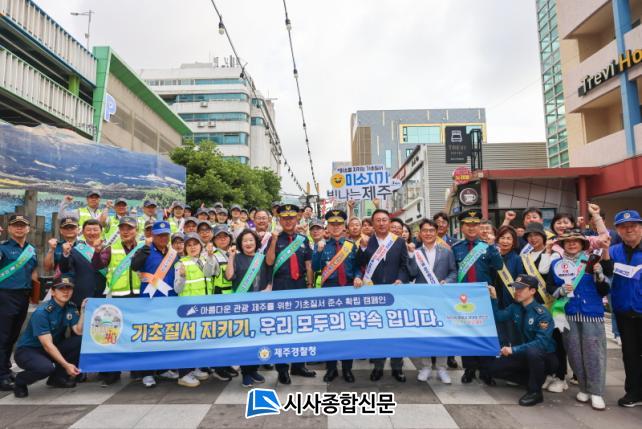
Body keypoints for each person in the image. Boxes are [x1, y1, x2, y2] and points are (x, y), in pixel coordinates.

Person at [547, 229, 611, 410]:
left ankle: (596, 391)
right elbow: (549, 286)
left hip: (591, 313)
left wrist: (599, 275)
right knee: (574, 352)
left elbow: (605, 290)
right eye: (568, 241)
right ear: (563, 244)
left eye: (576, 241)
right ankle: (583, 388)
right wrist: (560, 291)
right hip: (567, 313)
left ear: (583, 244)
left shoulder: (593, 261)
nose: (572, 243)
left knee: (594, 353)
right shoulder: (556, 264)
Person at [483, 275, 558, 406]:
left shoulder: (542, 314)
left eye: (520, 289)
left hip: (545, 357)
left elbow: (541, 343)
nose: (516, 291)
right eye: (515, 288)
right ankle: (532, 379)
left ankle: (535, 392)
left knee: (533, 352)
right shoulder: (515, 307)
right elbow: (498, 317)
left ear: (532, 291)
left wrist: (513, 350)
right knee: (490, 368)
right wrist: (494, 298)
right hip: (523, 354)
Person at [357, 209, 410, 382]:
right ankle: (378, 367)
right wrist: (362, 248)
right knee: (377, 331)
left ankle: (397, 367)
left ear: (389, 222)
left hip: (396, 293)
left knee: (397, 332)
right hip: (374, 293)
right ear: (373, 224)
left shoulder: (399, 242)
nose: (381, 223)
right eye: (378, 220)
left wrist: (401, 279)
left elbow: (404, 265)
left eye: (384, 220)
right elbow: (360, 264)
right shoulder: (367, 241)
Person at [12, 275, 87, 398]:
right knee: (45, 368)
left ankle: (57, 378)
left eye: (69, 288)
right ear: (52, 292)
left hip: (51, 347)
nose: (66, 292)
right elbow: (47, 345)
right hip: (29, 351)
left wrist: (83, 311)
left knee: (80, 341)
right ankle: (20, 381)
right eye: (61, 288)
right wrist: (66, 365)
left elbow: (78, 331)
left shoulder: (70, 307)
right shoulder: (42, 313)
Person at [451, 208, 503, 383]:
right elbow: (453, 272)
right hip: (463, 298)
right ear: (462, 227)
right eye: (468, 225)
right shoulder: (456, 248)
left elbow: (499, 266)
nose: (471, 228)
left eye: (475, 224)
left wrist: (492, 246)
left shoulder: (487, 247)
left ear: (480, 227)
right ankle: (469, 369)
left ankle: (487, 370)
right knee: (466, 333)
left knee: (485, 333)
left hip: (484, 298)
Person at [265, 204, 315, 384]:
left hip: (300, 285)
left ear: (297, 219)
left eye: (291, 218)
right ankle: (282, 369)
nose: (288, 221)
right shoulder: (274, 239)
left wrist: (310, 285)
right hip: (280, 286)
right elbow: (269, 261)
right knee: (282, 328)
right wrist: (273, 240)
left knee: (301, 326)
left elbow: (308, 265)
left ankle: (299, 366)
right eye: (284, 218)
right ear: (279, 220)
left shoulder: (303, 239)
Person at [93, 216, 144, 386]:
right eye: (123, 228)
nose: (126, 231)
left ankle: (137, 370)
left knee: (137, 334)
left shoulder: (142, 247)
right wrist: (97, 252)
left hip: (138, 296)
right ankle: (112, 373)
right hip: (117, 297)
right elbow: (98, 266)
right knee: (114, 335)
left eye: (129, 228)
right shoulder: (111, 248)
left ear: (136, 230)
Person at [312, 210, 362, 383]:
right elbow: (315, 267)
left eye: (339, 224)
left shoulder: (351, 245)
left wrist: (358, 276)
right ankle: (331, 368)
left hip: (348, 289)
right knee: (330, 332)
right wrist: (318, 251)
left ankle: (347, 369)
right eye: (332, 224)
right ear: (328, 227)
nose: (335, 227)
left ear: (343, 227)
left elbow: (357, 266)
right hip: (329, 290)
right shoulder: (321, 244)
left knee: (348, 332)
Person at [131, 221, 180, 387]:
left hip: (169, 298)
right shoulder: (145, 250)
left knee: (166, 335)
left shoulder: (173, 254)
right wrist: (141, 253)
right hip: (149, 299)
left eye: (166, 235)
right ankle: (147, 372)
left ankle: (163, 368)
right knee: (150, 336)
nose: (163, 238)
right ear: (152, 235)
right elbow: (134, 267)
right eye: (159, 235)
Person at [409, 219, 457, 384]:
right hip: (422, 299)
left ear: (436, 232)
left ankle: (442, 368)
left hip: (442, 299)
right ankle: (426, 366)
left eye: (431, 230)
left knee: (442, 334)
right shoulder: (416, 253)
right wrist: (411, 256)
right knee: (425, 333)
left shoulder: (447, 252)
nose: (428, 233)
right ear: (420, 233)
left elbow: (453, 272)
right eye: (425, 230)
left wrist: (447, 281)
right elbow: (411, 273)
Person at [605, 209, 642, 407]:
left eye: (633, 225)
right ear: (618, 230)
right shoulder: (613, 251)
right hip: (623, 312)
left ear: (640, 227)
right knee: (630, 354)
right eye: (624, 227)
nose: (629, 230)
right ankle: (634, 393)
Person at [225, 229, 272, 387]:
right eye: (245, 240)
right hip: (242, 306)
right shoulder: (237, 258)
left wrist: (269, 287)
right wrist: (231, 257)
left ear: (256, 242)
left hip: (260, 305)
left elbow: (270, 276)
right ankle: (245, 373)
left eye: (251, 240)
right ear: (240, 243)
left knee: (258, 338)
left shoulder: (262, 258)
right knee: (245, 339)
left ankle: (253, 370)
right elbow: (229, 276)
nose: (248, 243)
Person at [174, 233, 219, 387]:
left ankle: (195, 367)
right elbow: (177, 288)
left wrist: (211, 257)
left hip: (204, 307)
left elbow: (210, 273)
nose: (192, 247)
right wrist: (182, 277)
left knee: (199, 340)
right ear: (185, 248)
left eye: (195, 244)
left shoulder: (205, 259)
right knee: (188, 342)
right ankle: (184, 374)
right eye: (189, 245)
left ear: (201, 245)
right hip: (188, 309)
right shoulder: (181, 263)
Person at [0, 215, 38, 392]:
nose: (19, 228)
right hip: (5, 296)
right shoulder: (3, 248)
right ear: (9, 229)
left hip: (23, 297)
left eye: (23, 225)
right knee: (3, 337)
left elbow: (32, 273)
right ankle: (1, 376)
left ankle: (6, 369)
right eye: (15, 225)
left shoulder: (31, 250)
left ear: (28, 228)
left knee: (12, 336)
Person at [60, 219, 106, 307]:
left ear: (101, 231)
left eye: (95, 230)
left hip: (103, 296)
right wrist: (65, 254)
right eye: (88, 230)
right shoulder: (75, 250)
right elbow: (64, 269)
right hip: (80, 297)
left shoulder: (108, 249)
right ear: (83, 232)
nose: (92, 233)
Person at [493, 226, 524, 346]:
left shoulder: (517, 259)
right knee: (499, 338)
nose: (505, 241)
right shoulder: (492, 256)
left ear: (514, 241)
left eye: (509, 238)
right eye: (502, 238)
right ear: (497, 239)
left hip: (511, 304)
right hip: (494, 302)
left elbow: (520, 282)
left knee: (513, 338)